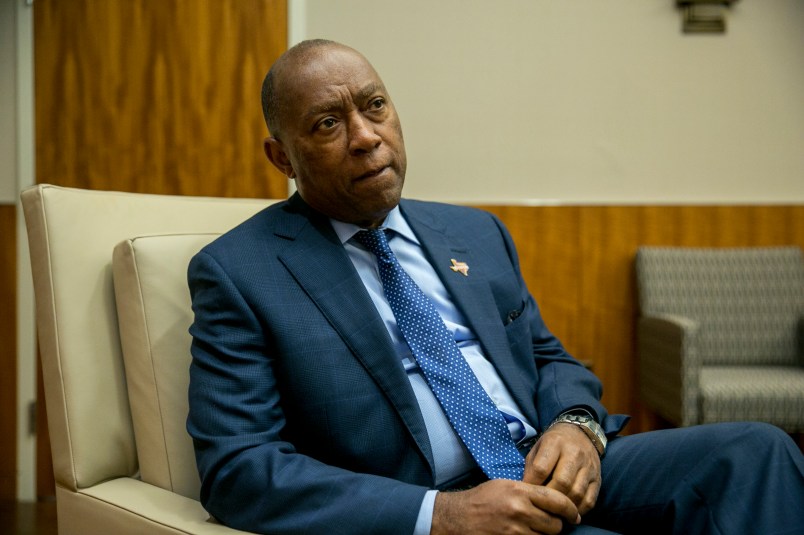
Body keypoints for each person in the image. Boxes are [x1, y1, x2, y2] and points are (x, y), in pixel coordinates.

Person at [186, 39, 804, 535]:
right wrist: (442, 517)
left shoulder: (473, 232)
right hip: (433, 498)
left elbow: (544, 356)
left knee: (755, 453)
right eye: (327, 124)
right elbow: (239, 468)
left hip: (546, 458)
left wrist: (575, 427)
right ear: (282, 158)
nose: (366, 136)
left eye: (374, 106)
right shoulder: (242, 272)